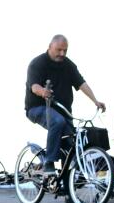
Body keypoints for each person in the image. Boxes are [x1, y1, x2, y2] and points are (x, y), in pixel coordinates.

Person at [24, 35, 106, 175]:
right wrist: (42, 91)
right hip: (37, 108)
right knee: (58, 122)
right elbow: (34, 86)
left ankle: (68, 187)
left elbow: (82, 84)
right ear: (50, 47)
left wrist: (95, 101)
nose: (62, 53)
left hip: (63, 111)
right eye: (59, 50)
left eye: (65, 50)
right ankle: (49, 162)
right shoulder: (37, 63)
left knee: (71, 142)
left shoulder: (68, 65)